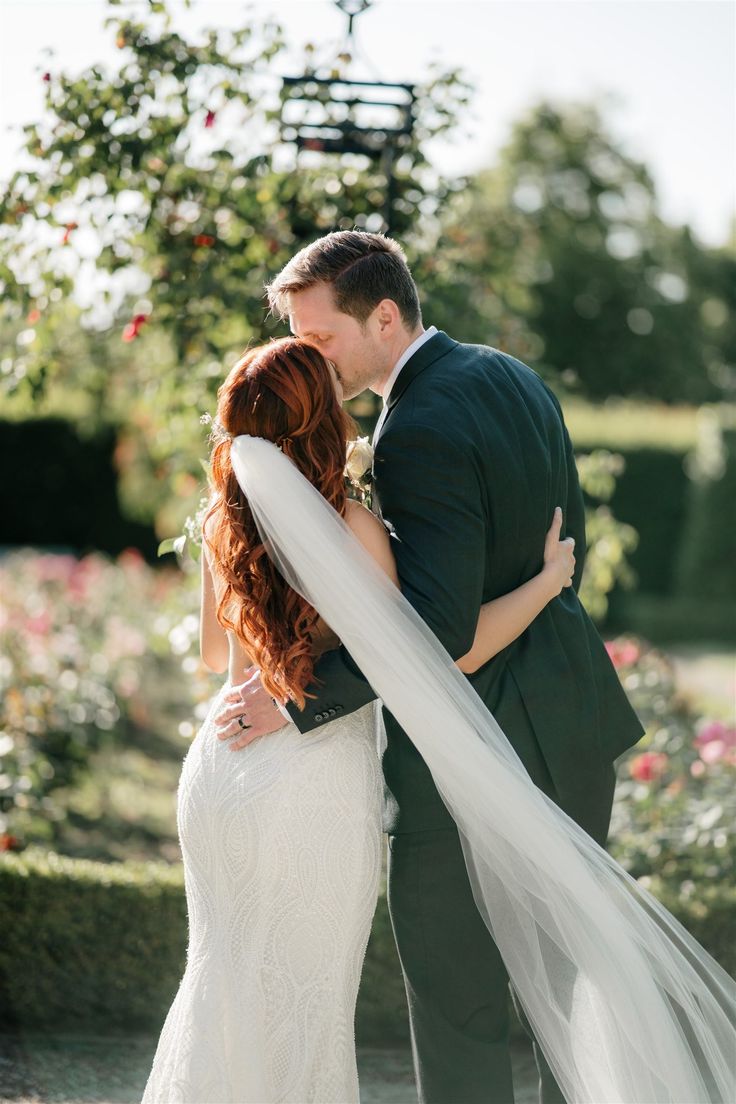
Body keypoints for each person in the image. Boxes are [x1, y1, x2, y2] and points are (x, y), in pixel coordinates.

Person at [214, 230, 646, 1103]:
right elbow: (563, 548)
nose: (310, 355)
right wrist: (551, 583)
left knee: (459, 1007)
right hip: (571, 724)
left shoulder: (415, 427)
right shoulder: (512, 377)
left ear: (383, 315)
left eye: (321, 337)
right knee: (565, 999)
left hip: (469, 750)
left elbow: (435, 633)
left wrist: (302, 704)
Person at [141, 337, 579, 1104]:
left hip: (221, 766)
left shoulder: (219, 523)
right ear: (323, 423)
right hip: (311, 779)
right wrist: (545, 585)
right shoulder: (357, 529)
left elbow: (218, 655)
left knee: (222, 972)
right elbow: (427, 659)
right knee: (305, 998)